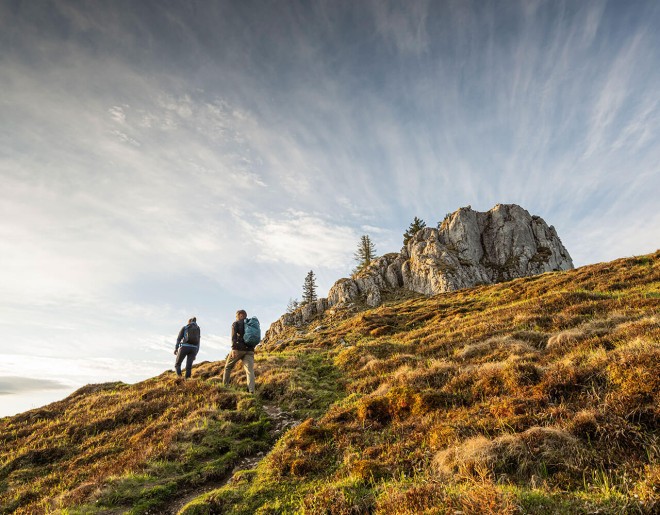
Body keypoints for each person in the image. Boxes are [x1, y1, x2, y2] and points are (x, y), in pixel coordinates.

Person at [222, 310, 256, 394]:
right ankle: (251, 391)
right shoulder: (251, 324)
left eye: (236, 316)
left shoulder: (236, 323)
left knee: (228, 367)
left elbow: (233, 336)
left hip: (239, 349)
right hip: (250, 350)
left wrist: (234, 348)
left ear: (240, 315)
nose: (236, 317)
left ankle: (224, 387)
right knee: (250, 371)